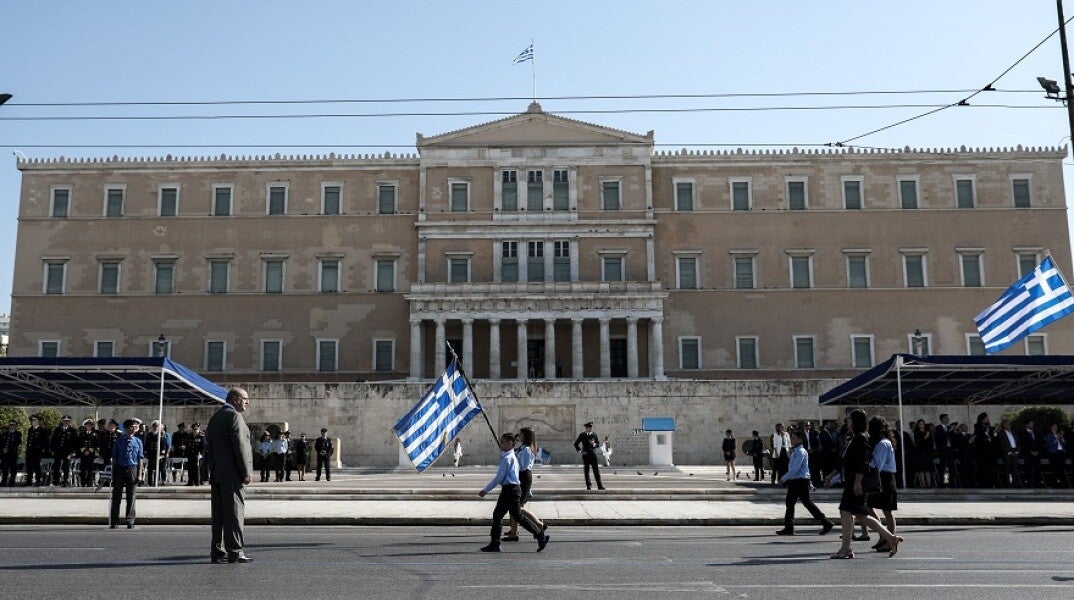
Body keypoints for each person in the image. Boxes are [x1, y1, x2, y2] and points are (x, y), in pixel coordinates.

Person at [827, 409, 903, 559]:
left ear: (855, 421)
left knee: (847, 512)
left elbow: (863, 463)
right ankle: (890, 538)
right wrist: (832, 475)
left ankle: (846, 548)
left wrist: (857, 482)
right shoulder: (854, 437)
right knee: (860, 515)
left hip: (856, 483)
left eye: (849, 419)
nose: (847, 422)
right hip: (852, 481)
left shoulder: (861, 438)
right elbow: (844, 461)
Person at [478, 432, 550, 553]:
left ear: (510, 443)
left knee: (507, 516)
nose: (500, 444)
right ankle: (495, 543)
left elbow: (499, 478)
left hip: (510, 490)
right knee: (506, 515)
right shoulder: (511, 456)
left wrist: (485, 490)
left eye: (502, 442)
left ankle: (539, 535)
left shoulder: (508, 459)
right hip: (511, 489)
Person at [206, 387, 254, 564]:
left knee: (218, 515)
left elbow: (209, 448)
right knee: (234, 512)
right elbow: (240, 446)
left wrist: (211, 469)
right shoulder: (234, 416)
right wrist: (246, 472)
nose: (248, 402)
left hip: (218, 473)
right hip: (233, 474)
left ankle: (217, 551)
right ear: (235, 399)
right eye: (245, 398)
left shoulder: (216, 417)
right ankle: (235, 551)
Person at [776, 429, 834, 536]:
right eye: (791, 437)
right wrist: (810, 483)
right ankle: (789, 527)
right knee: (793, 503)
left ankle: (826, 522)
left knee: (804, 503)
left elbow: (795, 470)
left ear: (800, 439)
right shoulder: (796, 451)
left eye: (794, 438)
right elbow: (805, 469)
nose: (792, 440)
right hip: (797, 481)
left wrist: (783, 479)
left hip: (799, 481)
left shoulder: (800, 452)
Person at [503, 427, 548, 542]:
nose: (519, 436)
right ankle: (514, 531)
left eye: (521, 434)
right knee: (514, 505)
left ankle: (538, 524)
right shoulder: (522, 448)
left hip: (523, 476)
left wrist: (513, 461)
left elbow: (523, 466)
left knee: (516, 507)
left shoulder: (527, 449)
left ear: (525, 436)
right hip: (519, 476)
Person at [866, 416, 899, 553]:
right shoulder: (876, 442)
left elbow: (878, 463)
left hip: (884, 477)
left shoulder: (883, 443)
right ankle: (883, 536)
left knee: (887, 510)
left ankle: (890, 540)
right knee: (869, 506)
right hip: (878, 476)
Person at [110, 418, 144, 529]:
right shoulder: (119, 441)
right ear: (125, 428)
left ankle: (130, 520)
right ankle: (114, 520)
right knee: (116, 496)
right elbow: (114, 458)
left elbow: (140, 459)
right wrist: (113, 473)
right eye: (131, 427)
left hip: (132, 468)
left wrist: (140, 474)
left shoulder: (138, 441)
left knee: (131, 496)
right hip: (120, 468)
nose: (133, 429)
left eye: (134, 427)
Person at [573, 422, 604, 490]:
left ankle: (599, 485)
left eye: (591, 427)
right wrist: (580, 451)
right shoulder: (582, 435)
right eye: (589, 427)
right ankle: (588, 485)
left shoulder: (594, 434)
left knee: (596, 471)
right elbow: (576, 444)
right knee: (586, 471)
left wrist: (594, 444)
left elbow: (598, 444)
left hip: (593, 454)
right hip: (585, 454)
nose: (591, 429)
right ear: (586, 428)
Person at [50, 415, 78, 487]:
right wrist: (52, 450)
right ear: (62, 421)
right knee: (56, 466)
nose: (66, 422)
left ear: (69, 422)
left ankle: (65, 480)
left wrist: (73, 451)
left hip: (67, 451)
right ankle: (56, 481)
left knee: (66, 466)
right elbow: (53, 440)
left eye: (67, 421)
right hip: (58, 451)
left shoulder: (72, 430)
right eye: (64, 421)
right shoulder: (57, 429)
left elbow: (75, 442)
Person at [24, 415, 48, 486]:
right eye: (32, 420)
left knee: (37, 466)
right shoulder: (30, 429)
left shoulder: (42, 430)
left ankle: (38, 480)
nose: (33, 421)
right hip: (30, 451)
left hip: (37, 451)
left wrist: (43, 450)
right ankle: (29, 481)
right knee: (29, 466)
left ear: (38, 421)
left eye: (34, 420)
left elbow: (45, 441)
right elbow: (29, 441)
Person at [974, 412, 995, 488]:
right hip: (982, 453)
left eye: (988, 419)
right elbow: (979, 439)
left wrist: (991, 435)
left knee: (990, 468)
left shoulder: (990, 428)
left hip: (990, 452)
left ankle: (990, 483)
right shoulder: (978, 428)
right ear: (982, 420)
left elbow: (993, 439)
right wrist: (987, 434)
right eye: (986, 419)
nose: (988, 420)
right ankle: (983, 483)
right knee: (983, 469)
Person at [998, 419, 1020, 488]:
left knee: (1015, 469)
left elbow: (1018, 442)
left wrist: (1017, 451)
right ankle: (1007, 484)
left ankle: (1015, 484)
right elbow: (1001, 444)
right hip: (1006, 453)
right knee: (1006, 469)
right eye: (1007, 423)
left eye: (1010, 423)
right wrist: (1008, 452)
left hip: (1015, 452)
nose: (1009, 425)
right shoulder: (1000, 433)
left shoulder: (1013, 432)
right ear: (1003, 425)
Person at [1019, 420, 1042, 488]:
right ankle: (1029, 483)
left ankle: (1037, 483)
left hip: (1037, 453)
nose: (1032, 425)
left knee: (1037, 469)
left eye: (1033, 423)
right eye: (1031, 423)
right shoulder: (1022, 432)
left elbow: (1040, 442)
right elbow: (1023, 444)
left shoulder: (1037, 432)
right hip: (1028, 454)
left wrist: (1038, 451)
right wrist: (1030, 451)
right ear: (1027, 424)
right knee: (1028, 469)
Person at [77, 419, 99, 487]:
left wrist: (89, 450)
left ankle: (89, 483)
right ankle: (83, 483)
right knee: (82, 469)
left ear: (92, 426)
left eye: (90, 425)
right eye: (87, 425)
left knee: (90, 469)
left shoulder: (95, 434)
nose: (89, 426)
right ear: (85, 426)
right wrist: (84, 450)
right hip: (83, 454)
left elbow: (96, 444)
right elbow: (79, 443)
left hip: (91, 454)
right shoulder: (82, 434)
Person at [0, 420, 22, 486]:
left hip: (12, 454)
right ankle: (3, 481)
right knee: (4, 468)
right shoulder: (5, 433)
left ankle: (12, 482)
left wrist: (8, 449)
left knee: (13, 469)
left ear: (16, 425)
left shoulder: (18, 433)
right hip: (5, 454)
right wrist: (2, 449)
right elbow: (1, 442)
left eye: (13, 424)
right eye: (10, 425)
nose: (11, 426)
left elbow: (17, 443)